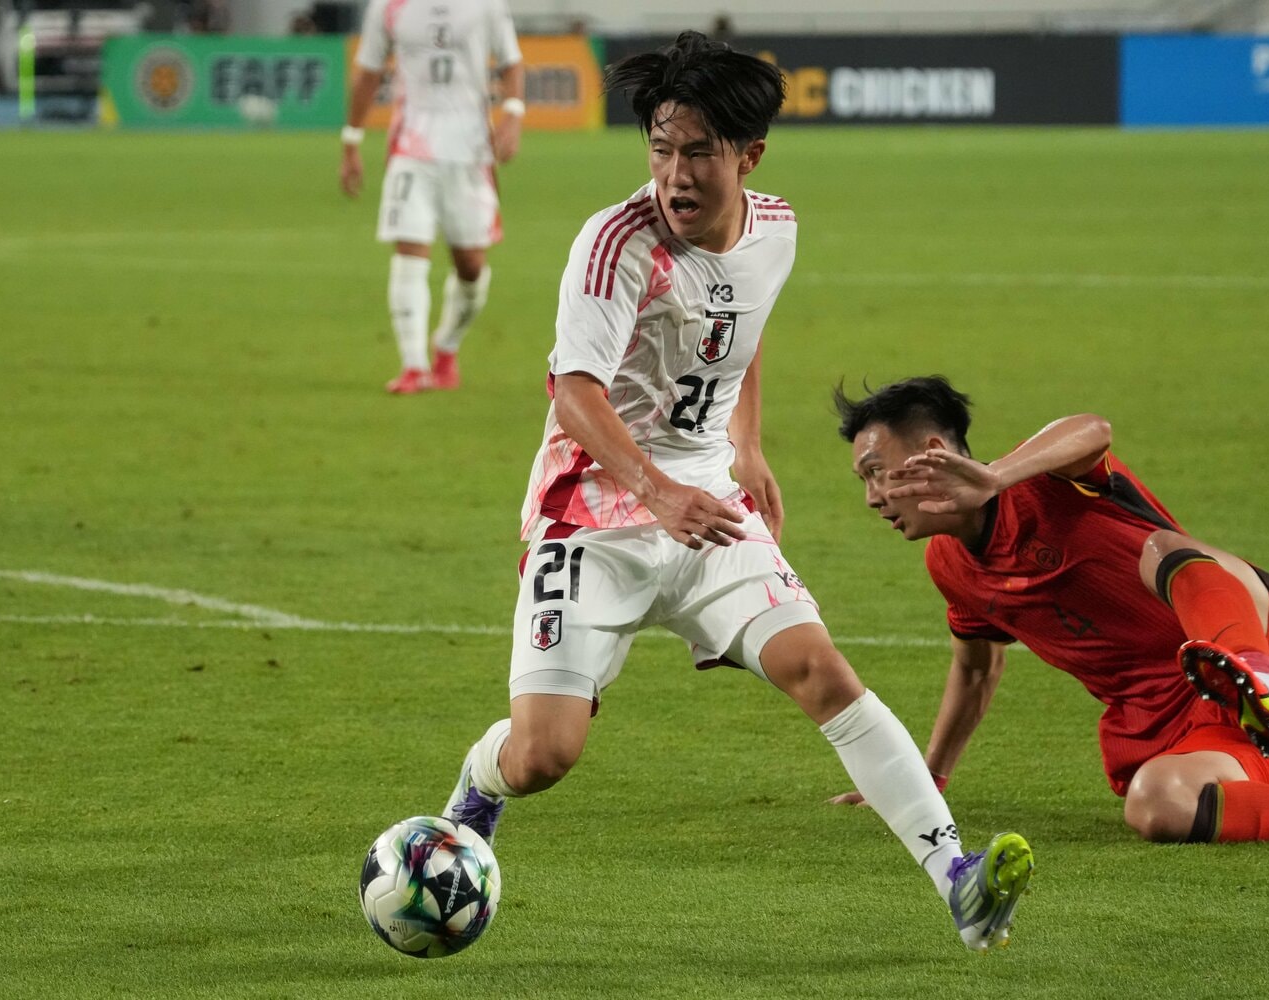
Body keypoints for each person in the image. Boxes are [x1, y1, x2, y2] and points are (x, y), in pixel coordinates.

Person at [440, 33, 1033, 954]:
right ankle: (478, 788)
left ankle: (956, 878)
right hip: (591, 514)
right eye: (660, 149)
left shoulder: (777, 230)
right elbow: (574, 392)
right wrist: (660, 490)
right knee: (545, 754)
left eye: (699, 153)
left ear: (749, 156)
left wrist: (744, 447)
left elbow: (739, 336)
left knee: (822, 672)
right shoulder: (613, 247)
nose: (675, 175)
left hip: (711, 506)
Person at [830, 375, 1269, 845]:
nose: (871, 497)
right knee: (1157, 803)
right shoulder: (950, 566)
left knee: (1163, 549)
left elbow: (1091, 428)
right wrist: (926, 784)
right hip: (1212, 732)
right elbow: (974, 669)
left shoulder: (1041, 478)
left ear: (932, 451)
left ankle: (1253, 673)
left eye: (877, 473)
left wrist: (994, 476)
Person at [340, 0, 524, 394]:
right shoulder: (388, 7)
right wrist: (351, 140)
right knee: (409, 254)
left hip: (471, 153)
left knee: (471, 267)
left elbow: (511, 61)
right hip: (411, 149)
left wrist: (512, 113)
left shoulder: (486, 5)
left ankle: (445, 347)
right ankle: (414, 366)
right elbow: (369, 73)